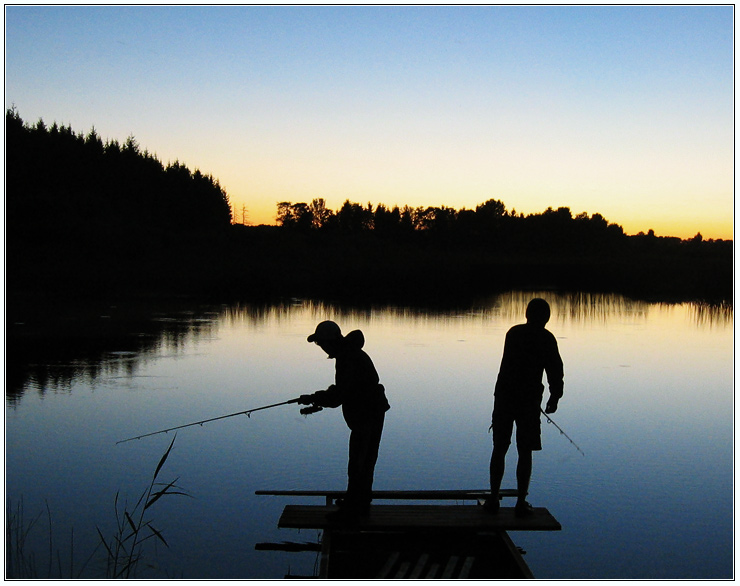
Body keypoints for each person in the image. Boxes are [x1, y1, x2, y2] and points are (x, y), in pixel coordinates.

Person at [298, 320, 390, 520]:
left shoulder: (347, 358)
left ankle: (352, 509)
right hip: (370, 413)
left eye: (320, 343)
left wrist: (315, 398)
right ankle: (358, 502)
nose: (320, 347)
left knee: (359, 462)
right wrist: (316, 398)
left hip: (368, 415)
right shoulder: (348, 354)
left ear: (330, 341)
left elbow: (340, 395)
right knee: (364, 461)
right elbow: (343, 390)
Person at [485, 298, 564, 517]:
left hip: (505, 397)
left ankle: (493, 499)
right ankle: (520, 502)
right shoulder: (547, 339)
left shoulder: (513, 333)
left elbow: (508, 367)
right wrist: (554, 396)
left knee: (500, 447)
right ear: (546, 318)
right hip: (528, 401)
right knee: (525, 450)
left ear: (527, 314)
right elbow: (555, 370)